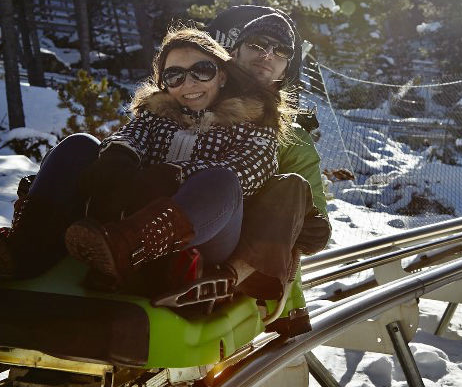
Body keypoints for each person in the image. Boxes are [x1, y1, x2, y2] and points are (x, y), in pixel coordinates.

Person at [0, 27, 293, 308]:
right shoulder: (157, 115)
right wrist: (119, 155)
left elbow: (251, 168)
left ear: (222, 76)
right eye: (175, 75)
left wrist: (175, 174)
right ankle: (24, 249)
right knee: (79, 145)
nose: (188, 84)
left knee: (222, 179)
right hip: (130, 215)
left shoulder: (253, 123)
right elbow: (132, 135)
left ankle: (123, 251)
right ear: (163, 82)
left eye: (201, 71)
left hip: (206, 234)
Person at [208, 8, 331, 302]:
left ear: (286, 67)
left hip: (246, 271)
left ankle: (229, 278)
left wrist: (314, 224)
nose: (267, 54)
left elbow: (310, 207)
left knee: (288, 188)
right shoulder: (198, 103)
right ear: (235, 52)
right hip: (190, 231)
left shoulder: (292, 139)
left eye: (280, 50)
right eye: (257, 44)